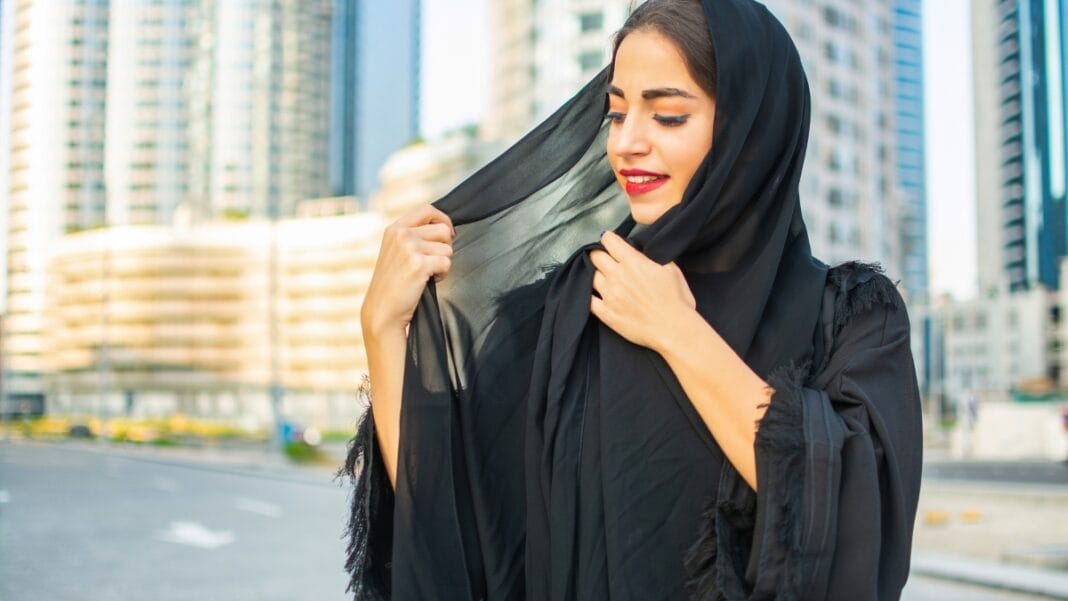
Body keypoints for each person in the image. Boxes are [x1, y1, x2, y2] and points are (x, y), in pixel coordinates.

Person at [340, 0, 923, 599]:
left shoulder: (849, 319)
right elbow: (452, 529)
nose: (627, 144)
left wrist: (678, 332)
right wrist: (383, 330)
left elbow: (860, 540)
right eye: (617, 114)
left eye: (668, 116)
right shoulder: (572, 308)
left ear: (751, 131)